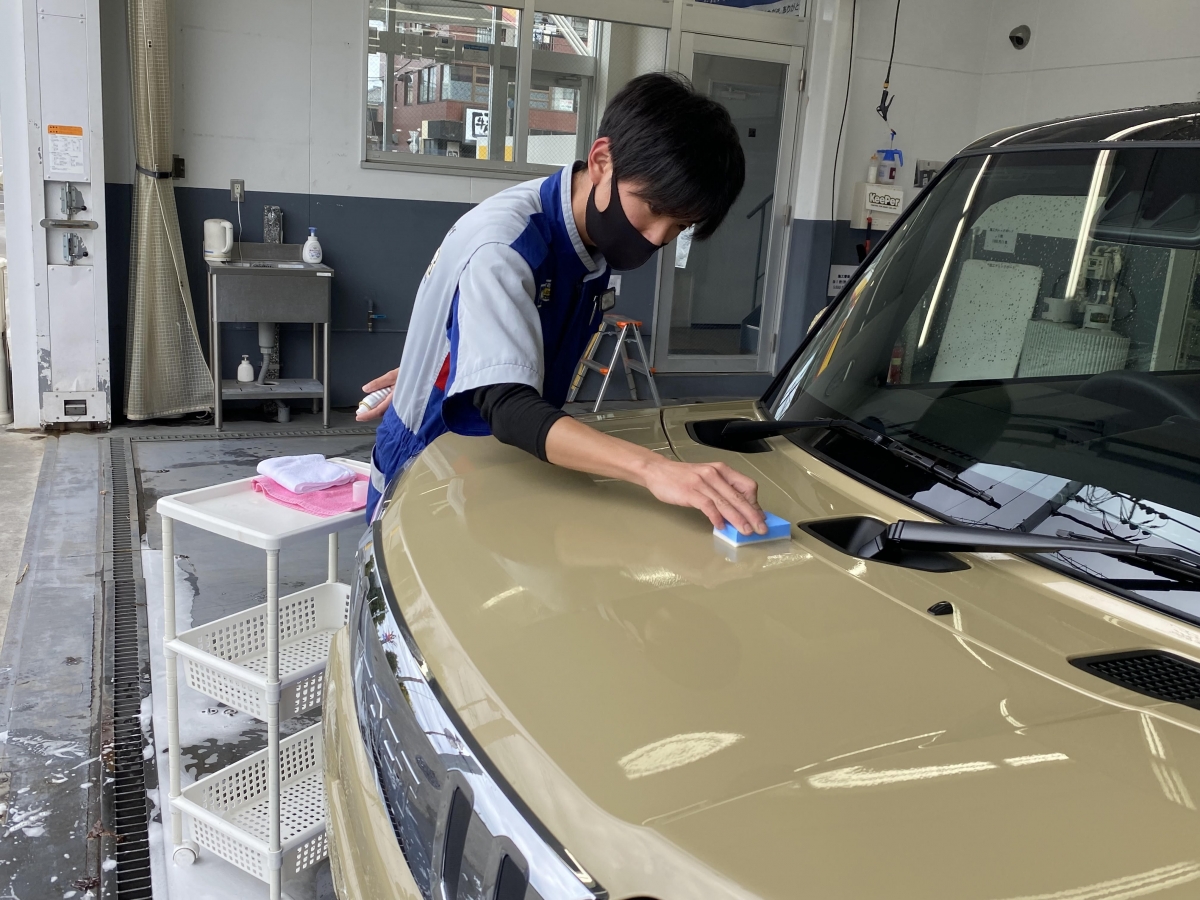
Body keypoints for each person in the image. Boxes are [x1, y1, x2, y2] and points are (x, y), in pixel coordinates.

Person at [358, 73, 766, 536]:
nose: (657, 238)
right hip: (432, 456)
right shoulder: (506, 244)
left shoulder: (587, 237)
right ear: (602, 161)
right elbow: (508, 406)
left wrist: (451, 360)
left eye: (680, 226)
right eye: (653, 209)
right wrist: (655, 469)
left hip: (507, 454)